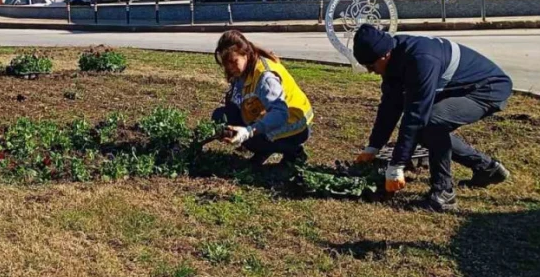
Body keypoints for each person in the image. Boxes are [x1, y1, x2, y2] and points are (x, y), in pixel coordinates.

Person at [351, 24, 512, 212]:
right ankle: (486, 168)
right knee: (425, 129)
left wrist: (396, 166)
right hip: (462, 88)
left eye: (371, 66)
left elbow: (415, 115)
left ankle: (444, 195)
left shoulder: (421, 60)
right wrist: (373, 147)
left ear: (384, 55)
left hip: (487, 89)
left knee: (430, 122)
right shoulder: (394, 59)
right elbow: (390, 106)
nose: (370, 71)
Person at [212, 30, 314, 166]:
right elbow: (235, 101)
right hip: (272, 114)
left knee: (252, 139)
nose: (230, 67)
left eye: (233, 61)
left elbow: (280, 113)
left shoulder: (265, 77)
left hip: (294, 123)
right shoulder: (244, 70)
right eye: (226, 64)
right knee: (221, 116)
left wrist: (247, 132)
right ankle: (263, 149)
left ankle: (294, 152)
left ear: (245, 54)